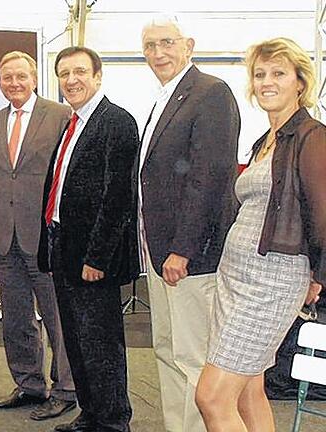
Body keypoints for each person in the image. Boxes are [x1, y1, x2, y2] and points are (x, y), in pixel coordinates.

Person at [195, 37, 325, 432]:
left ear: (300, 82)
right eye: (260, 73)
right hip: (235, 277)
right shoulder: (264, 142)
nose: (267, 81)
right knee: (249, 388)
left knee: (212, 397)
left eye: (279, 73)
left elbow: (324, 214)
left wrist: (318, 278)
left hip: (272, 281)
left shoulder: (311, 136)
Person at [136, 16, 240, 432]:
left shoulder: (211, 93)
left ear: (188, 45)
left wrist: (183, 250)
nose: (158, 53)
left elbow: (209, 178)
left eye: (166, 43)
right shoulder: (167, 97)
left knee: (194, 358)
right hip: (159, 253)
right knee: (167, 350)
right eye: (149, 46)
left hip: (188, 259)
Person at [38, 46, 139, 432]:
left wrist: (97, 258)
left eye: (79, 71)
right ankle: (92, 413)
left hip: (93, 256)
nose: (71, 80)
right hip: (62, 244)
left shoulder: (116, 122)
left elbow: (118, 199)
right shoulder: (72, 123)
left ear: (98, 76)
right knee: (77, 341)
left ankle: (114, 421)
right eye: (64, 74)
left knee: (101, 344)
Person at [0, 50, 76, 421]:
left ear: (34, 78)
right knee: (16, 318)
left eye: (20, 76)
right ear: (0, 83)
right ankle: (29, 384)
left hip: (46, 237)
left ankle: (66, 388)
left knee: (57, 317)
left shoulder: (60, 116)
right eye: (7, 78)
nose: (14, 83)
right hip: (3, 238)